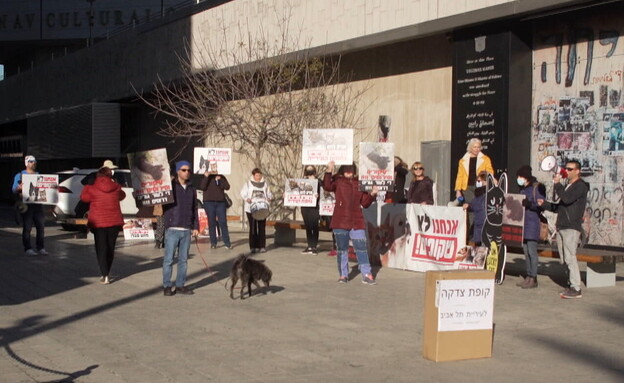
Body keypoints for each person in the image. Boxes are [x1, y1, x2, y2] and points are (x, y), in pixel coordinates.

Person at [538, 160, 589, 299]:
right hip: (562, 225)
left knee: (570, 257)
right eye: (566, 168)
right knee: (564, 259)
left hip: (571, 226)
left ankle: (576, 288)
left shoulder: (581, 186)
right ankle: (570, 284)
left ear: (577, 171)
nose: (567, 171)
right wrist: (545, 205)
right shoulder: (568, 186)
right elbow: (560, 206)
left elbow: (566, 199)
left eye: (570, 169)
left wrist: (557, 184)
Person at [323, 161, 378, 285]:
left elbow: (365, 203)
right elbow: (327, 186)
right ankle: (343, 274)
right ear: (342, 169)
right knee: (342, 249)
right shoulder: (337, 180)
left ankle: (366, 273)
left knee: (361, 248)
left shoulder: (360, 182)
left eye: (351, 168)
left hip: (357, 221)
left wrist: (373, 194)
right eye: (346, 168)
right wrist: (328, 170)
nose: (349, 171)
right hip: (340, 221)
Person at [80, 166, 125, 284]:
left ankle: (104, 274)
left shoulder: (92, 187)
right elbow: (122, 196)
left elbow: (84, 198)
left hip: (98, 222)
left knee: (101, 248)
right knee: (110, 248)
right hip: (114, 221)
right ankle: (107, 272)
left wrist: (86, 186)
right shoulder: (116, 186)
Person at [162, 161, 199, 296]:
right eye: (184, 170)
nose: (187, 172)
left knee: (183, 260)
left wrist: (195, 226)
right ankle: (167, 285)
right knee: (169, 259)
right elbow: (159, 199)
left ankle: (180, 285)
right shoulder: (170, 187)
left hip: (186, 229)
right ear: (178, 171)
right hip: (172, 228)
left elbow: (195, 207)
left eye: (189, 170)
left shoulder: (191, 188)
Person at [515, 165, 546, 289]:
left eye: (520, 176)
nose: (518, 179)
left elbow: (540, 204)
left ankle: (533, 277)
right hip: (523, 223)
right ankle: (528, 275)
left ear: (526, 176)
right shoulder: (522, 189)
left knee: (532, 251)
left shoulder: (536, 188)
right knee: (526, 251)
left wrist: (530, 204)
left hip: (532, 223)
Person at [12, 155, 48, 256]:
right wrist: (18, 188)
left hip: (37, 204)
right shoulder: (19, 175)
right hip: (26, 205)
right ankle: (28, 248)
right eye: (31, 162)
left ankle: (40, 247)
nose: (34, 163)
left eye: (35, 162)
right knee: (27, 227)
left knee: (40, 226)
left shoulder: (38, 175)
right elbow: (13, 189)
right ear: (27, 163)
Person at [240, 168, 273, 253]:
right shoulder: (248, 184)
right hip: (251, 209)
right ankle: (253, 246)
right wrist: (247, 199)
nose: (258, 177)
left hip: (262, 208)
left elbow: (269, 193)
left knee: (261, 227)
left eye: (259, 175)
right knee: (253, 228)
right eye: (256, 175)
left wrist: (269, 198)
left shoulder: (265, 184)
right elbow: (243, 193)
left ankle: (262, 246)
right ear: (253, 175)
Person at [199, 168, 232, 250]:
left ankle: (227, 242)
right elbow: (202, 187)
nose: (214, 169)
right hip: (209, 202)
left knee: (223, 222)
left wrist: (220, 180)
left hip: (220, 202)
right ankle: (213, 242)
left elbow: (227, 187)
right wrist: (206, 177)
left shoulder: (221, 177)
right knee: (212, 222)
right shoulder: (206, 176)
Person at [454, 138, 494, 203]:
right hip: (467, 187)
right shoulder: (463, 161)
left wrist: (487, 181)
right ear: (470, 147)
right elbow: (460, 176)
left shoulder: (485, 159)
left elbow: (490, 172)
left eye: (478, 147)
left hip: (480, 187)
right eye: (474, 147)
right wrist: (458, 191)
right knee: (471, 205)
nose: (477, 149)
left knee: (480, 205)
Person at [462, 171, 488, 246]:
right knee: (478, 245)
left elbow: (479, 205)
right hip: (478, 223)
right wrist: (469, 206)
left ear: (485, 182)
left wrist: (470, 206)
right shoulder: (478, 193)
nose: (477, 183)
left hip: (483, 223)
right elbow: (474, 204)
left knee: (484, 246)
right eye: (477, 181)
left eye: (479, 181)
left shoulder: (487, 193)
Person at [300, 165, 321, 255]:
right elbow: (296, 191)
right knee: (308, 226)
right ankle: (309, 246)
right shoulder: (302, 182)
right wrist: (287, 195)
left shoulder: (319, 182)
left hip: (314, 207)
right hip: (305, 206)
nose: (309, 172)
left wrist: (319, 196)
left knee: (314, 226)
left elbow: (324, 193)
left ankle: (314, 246)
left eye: (310, 170)